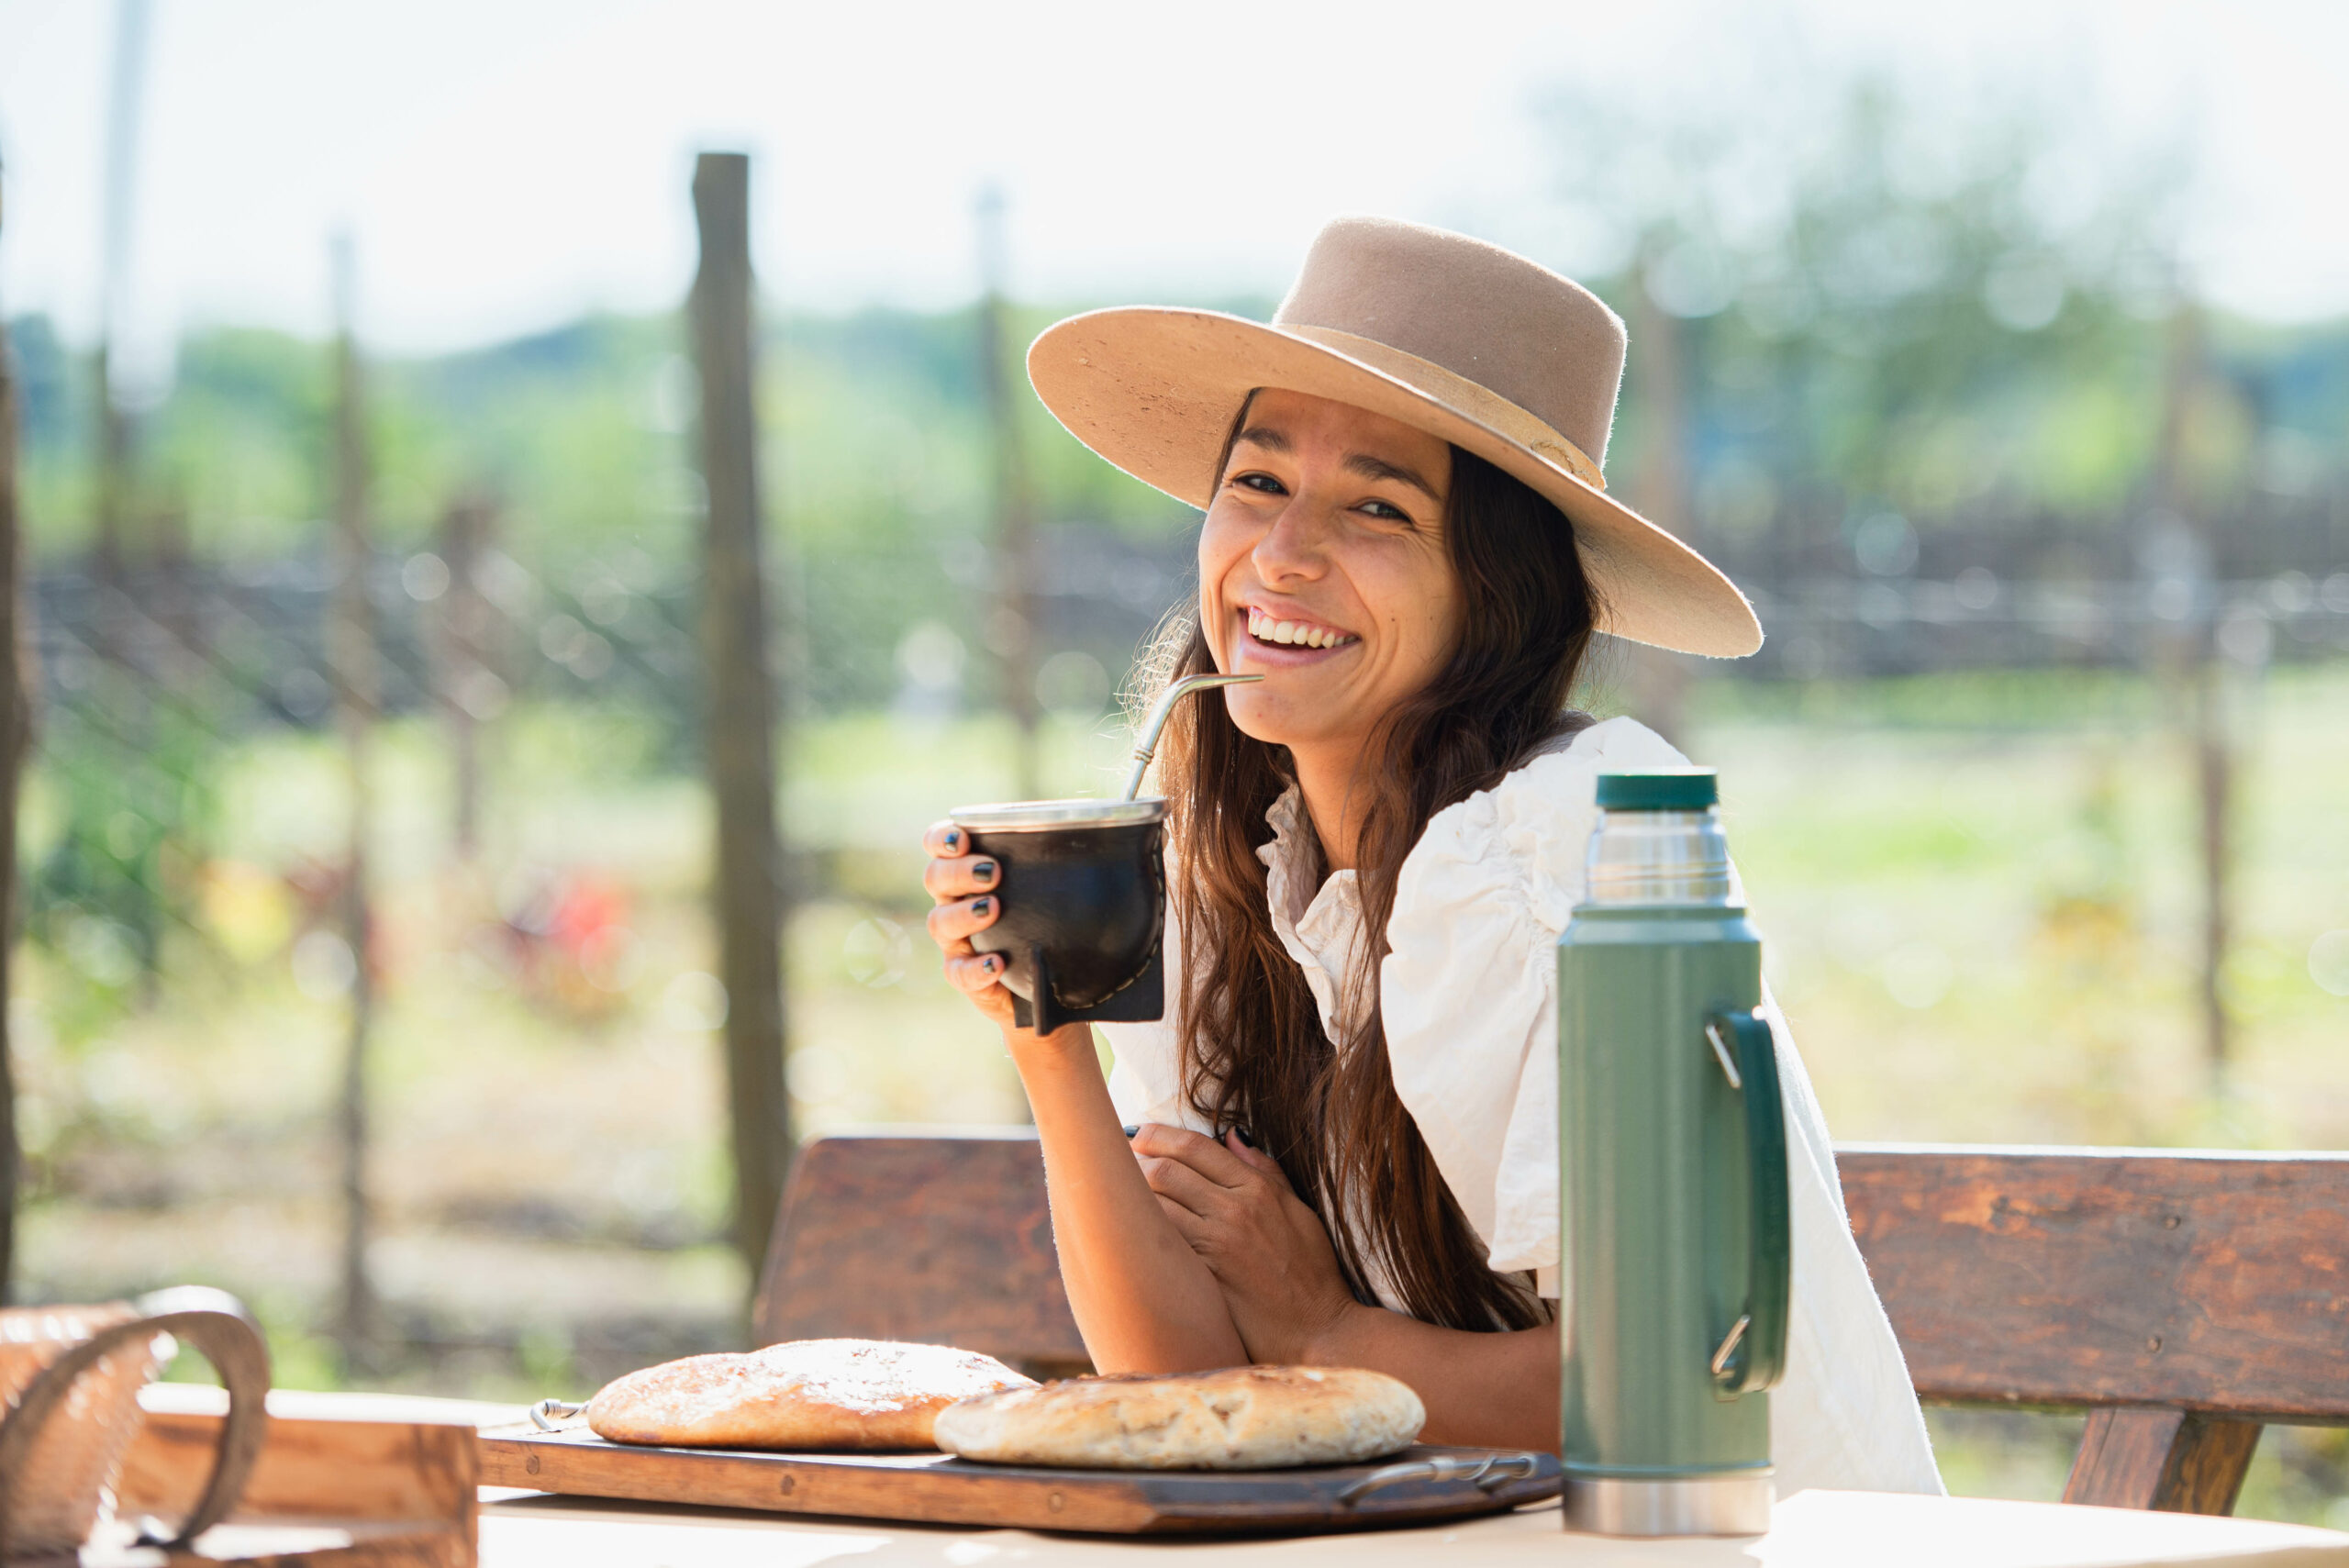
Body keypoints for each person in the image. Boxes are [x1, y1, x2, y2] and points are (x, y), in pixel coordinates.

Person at [922, 217, 1941, 1495]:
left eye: (1377, 507)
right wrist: (1047, 1037)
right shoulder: (1230, 875)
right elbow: (1185, 1391)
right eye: (1257, 481)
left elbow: (1678, 1380)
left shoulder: (1582, 846)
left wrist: (1327, 1337)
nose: (1281, 557)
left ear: (1494, 593)